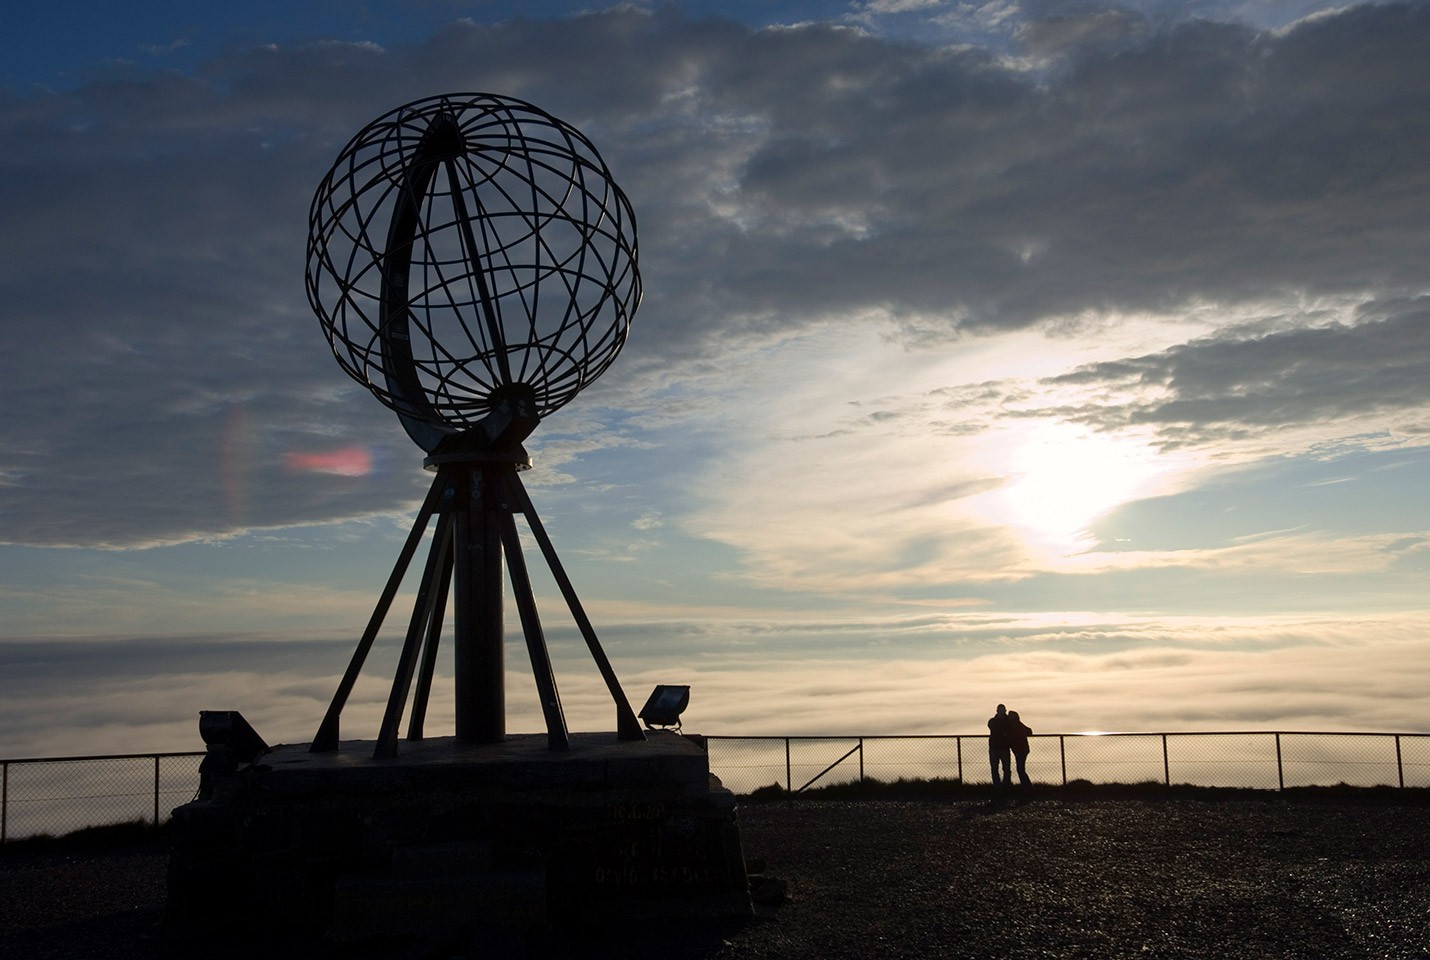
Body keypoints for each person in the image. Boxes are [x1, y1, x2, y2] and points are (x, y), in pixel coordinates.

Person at [1007, 710, 1033, 796]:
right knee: (1021, 769)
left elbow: (1014, 739)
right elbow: (1029, 731)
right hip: (1022, 750)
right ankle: (1027, 788)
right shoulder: (1018, 724)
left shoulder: (1014, 725)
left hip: (1020, 751)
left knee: (1020, 770)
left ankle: (1027, 788)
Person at [986, 704, 1012, 790]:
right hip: (996, 747)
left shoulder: (994, 721)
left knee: (1006, 769)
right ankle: (998, 786)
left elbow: (996, 729)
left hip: (1002, 748)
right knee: (995, 768)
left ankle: (1005, 786)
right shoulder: (994, 721)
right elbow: (996, 729)